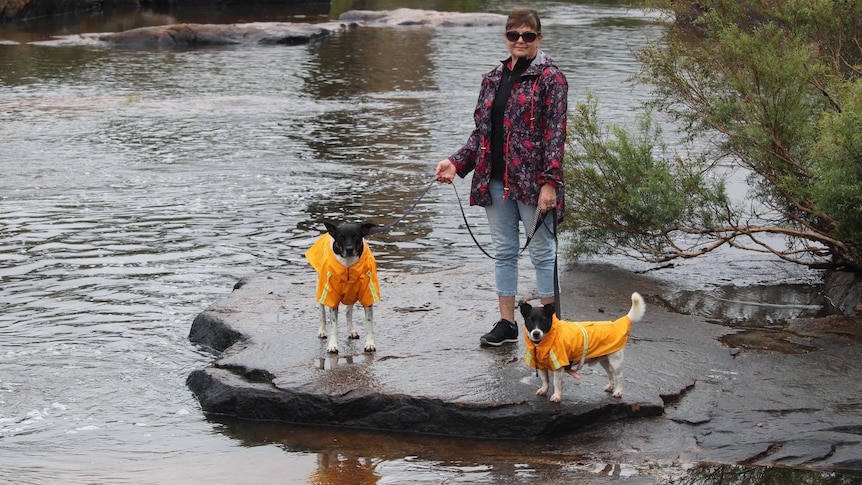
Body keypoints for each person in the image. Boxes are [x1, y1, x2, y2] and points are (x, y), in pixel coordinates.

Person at [435, 7, 568, 346]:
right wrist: (456, 163)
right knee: (505, 251)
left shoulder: (551, 79)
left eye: (527, 35)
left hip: (534, 183)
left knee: (542, 252)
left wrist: (550, 183)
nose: (520, 41)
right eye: (513, 35)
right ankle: (508, 325)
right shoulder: (493, 77)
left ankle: (554, 327)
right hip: (495, 181)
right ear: (506, 37)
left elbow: (555, 134)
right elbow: (481, 134)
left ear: (538, 38)